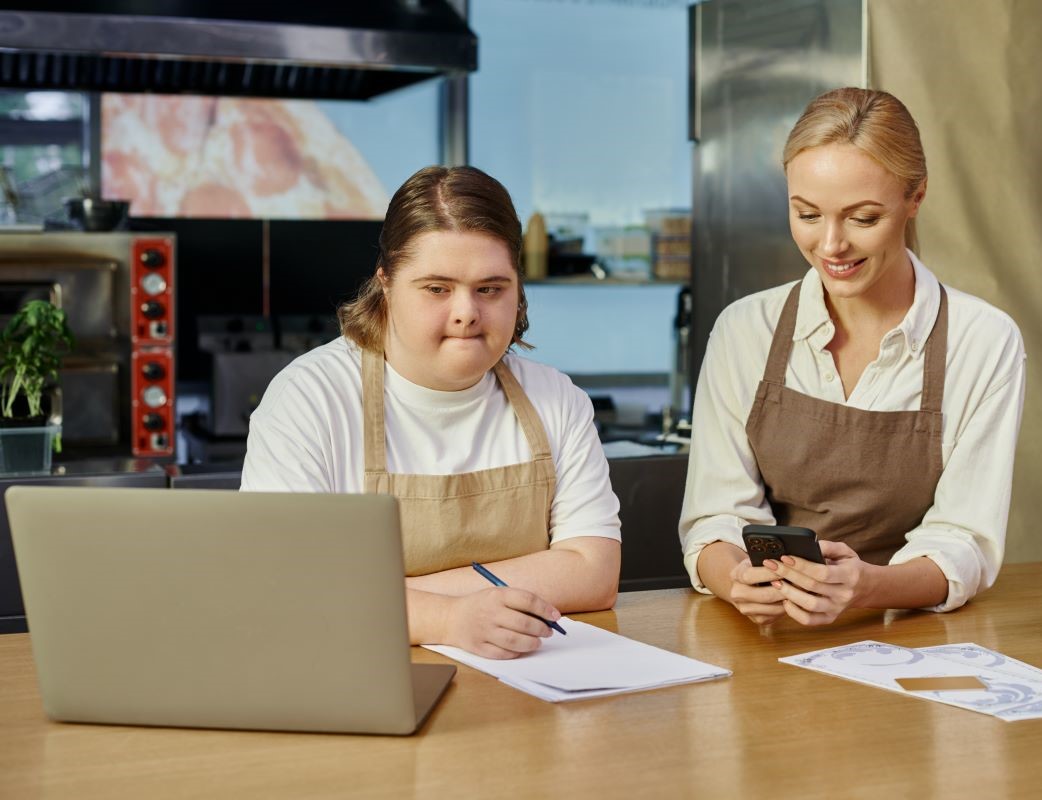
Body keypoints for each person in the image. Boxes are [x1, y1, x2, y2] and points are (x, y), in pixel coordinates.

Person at [241, 165, 621, 657]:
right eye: (437, 289)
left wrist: (390, 595)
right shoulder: (309, 400)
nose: (466, 312)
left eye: (490, 288)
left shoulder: (556, 399)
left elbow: (594, 574)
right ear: (386, 284)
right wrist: (447, 618)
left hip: (528, 691)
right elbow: (287, 590)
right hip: (361, 680)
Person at [679, 88, 1026, 626]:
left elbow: (964, 539)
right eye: (808, 214)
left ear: (915, 198)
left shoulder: (983, 340)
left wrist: (866, 586)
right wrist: (735, 580)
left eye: (863, 218)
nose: (831, 245)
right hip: (768, 632)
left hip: (910, 634)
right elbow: (717, 514)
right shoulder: (745, 330)